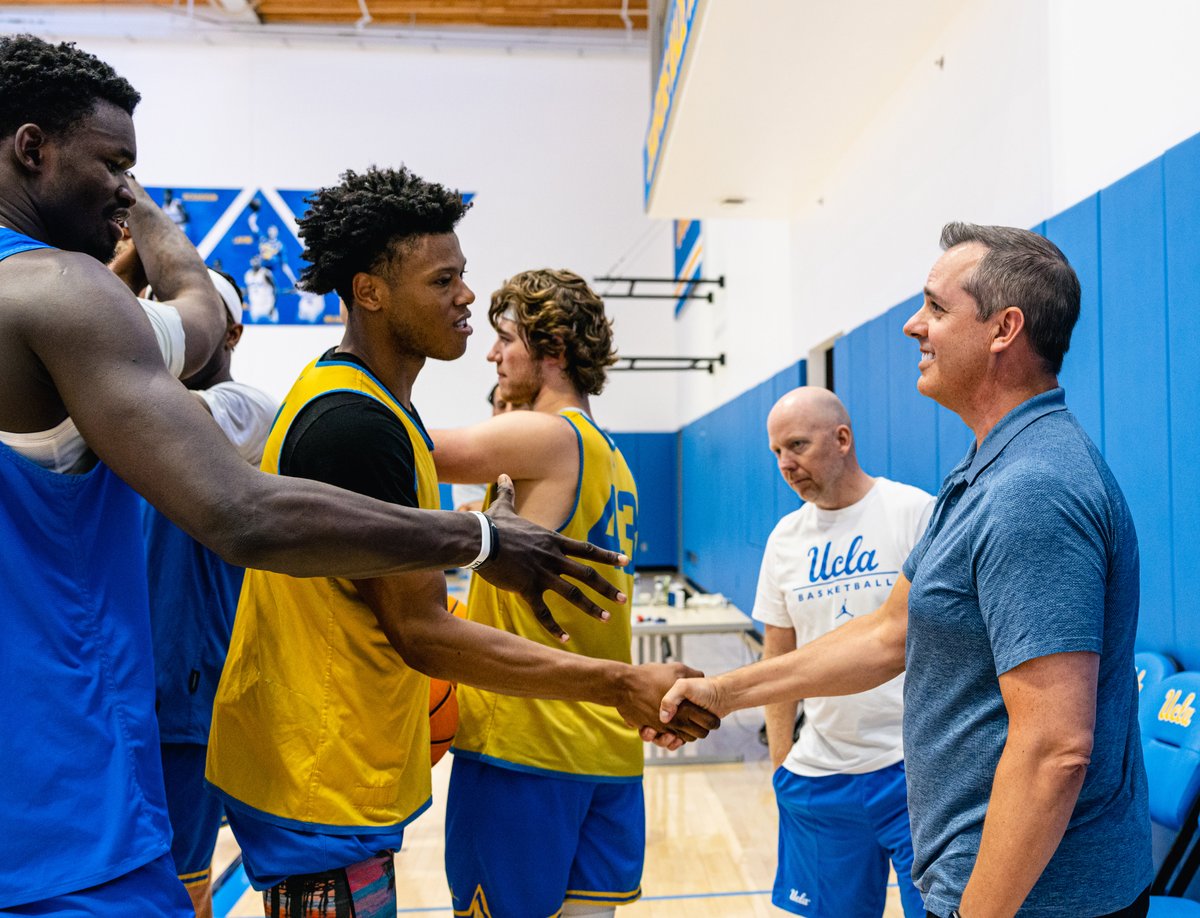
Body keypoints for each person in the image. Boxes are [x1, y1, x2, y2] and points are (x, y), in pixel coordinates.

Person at [0, 35, 657, 915]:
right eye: (448, 279)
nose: (468, 298)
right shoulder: (344, 416)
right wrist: (495, 546)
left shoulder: (360, 404)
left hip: (268, 760)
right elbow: (283, 534)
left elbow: (200, 318)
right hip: (268, 774)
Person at [205, 168, 717, 918]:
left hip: (502, 743)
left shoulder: (446, 426)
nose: (469, 301)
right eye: (445, 279)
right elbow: (420, 627)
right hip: (330, 769)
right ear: (371, 291)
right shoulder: (364, 423)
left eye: (466, 282)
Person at [660, 224, 1152, 918]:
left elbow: (1054, 749)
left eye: (937, 308)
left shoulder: (1032, 489)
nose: (911, 325)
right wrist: (724, 691)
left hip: (1040, 900)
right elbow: (888, 635)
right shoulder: (983, 473)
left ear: (1003, 329)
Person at [431, 269, 646, 917]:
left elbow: (398, 442)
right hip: (607, 750)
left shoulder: (548, 435)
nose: (492, 355)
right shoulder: (613, 458)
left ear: (551, 349)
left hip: (524, 747)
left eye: (506, 340)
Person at [752, 386, 931, 918]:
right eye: (777, 452)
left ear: (843, 439)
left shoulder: (912, 512)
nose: (787, 463)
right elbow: (777, 661)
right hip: (821, 776)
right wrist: (781, 764)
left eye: (798, 446)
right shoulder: (784, 539)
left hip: (914, 772)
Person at [141, 269, 277, 918]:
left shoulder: (247, 409)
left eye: (189, 318)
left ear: (231, 331)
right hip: (128, 691)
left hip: (191, 695)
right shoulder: (119, 418)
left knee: (182, 887)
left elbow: (138, 393)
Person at [451, 383, 528, 512]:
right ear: (493, 411)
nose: (508, 412)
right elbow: (475, 517)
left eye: (517, 404)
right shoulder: (471, 460)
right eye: (501, 405)